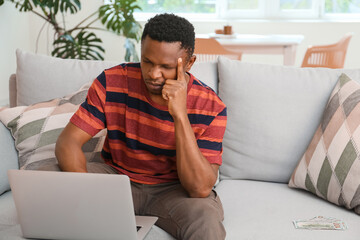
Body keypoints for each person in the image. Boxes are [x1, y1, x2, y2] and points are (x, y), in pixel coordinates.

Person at [55, 13, 227, 240]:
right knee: (46, 178)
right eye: (147, 61)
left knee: (206, 221)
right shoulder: (112, 82)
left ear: (189, 63)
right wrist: (88, 193)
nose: (153, 74)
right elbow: (68, 143)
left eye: (165, 67)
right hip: (116, 180)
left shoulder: (211, 106)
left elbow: (200, 189)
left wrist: (180, 116)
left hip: (173, 190)